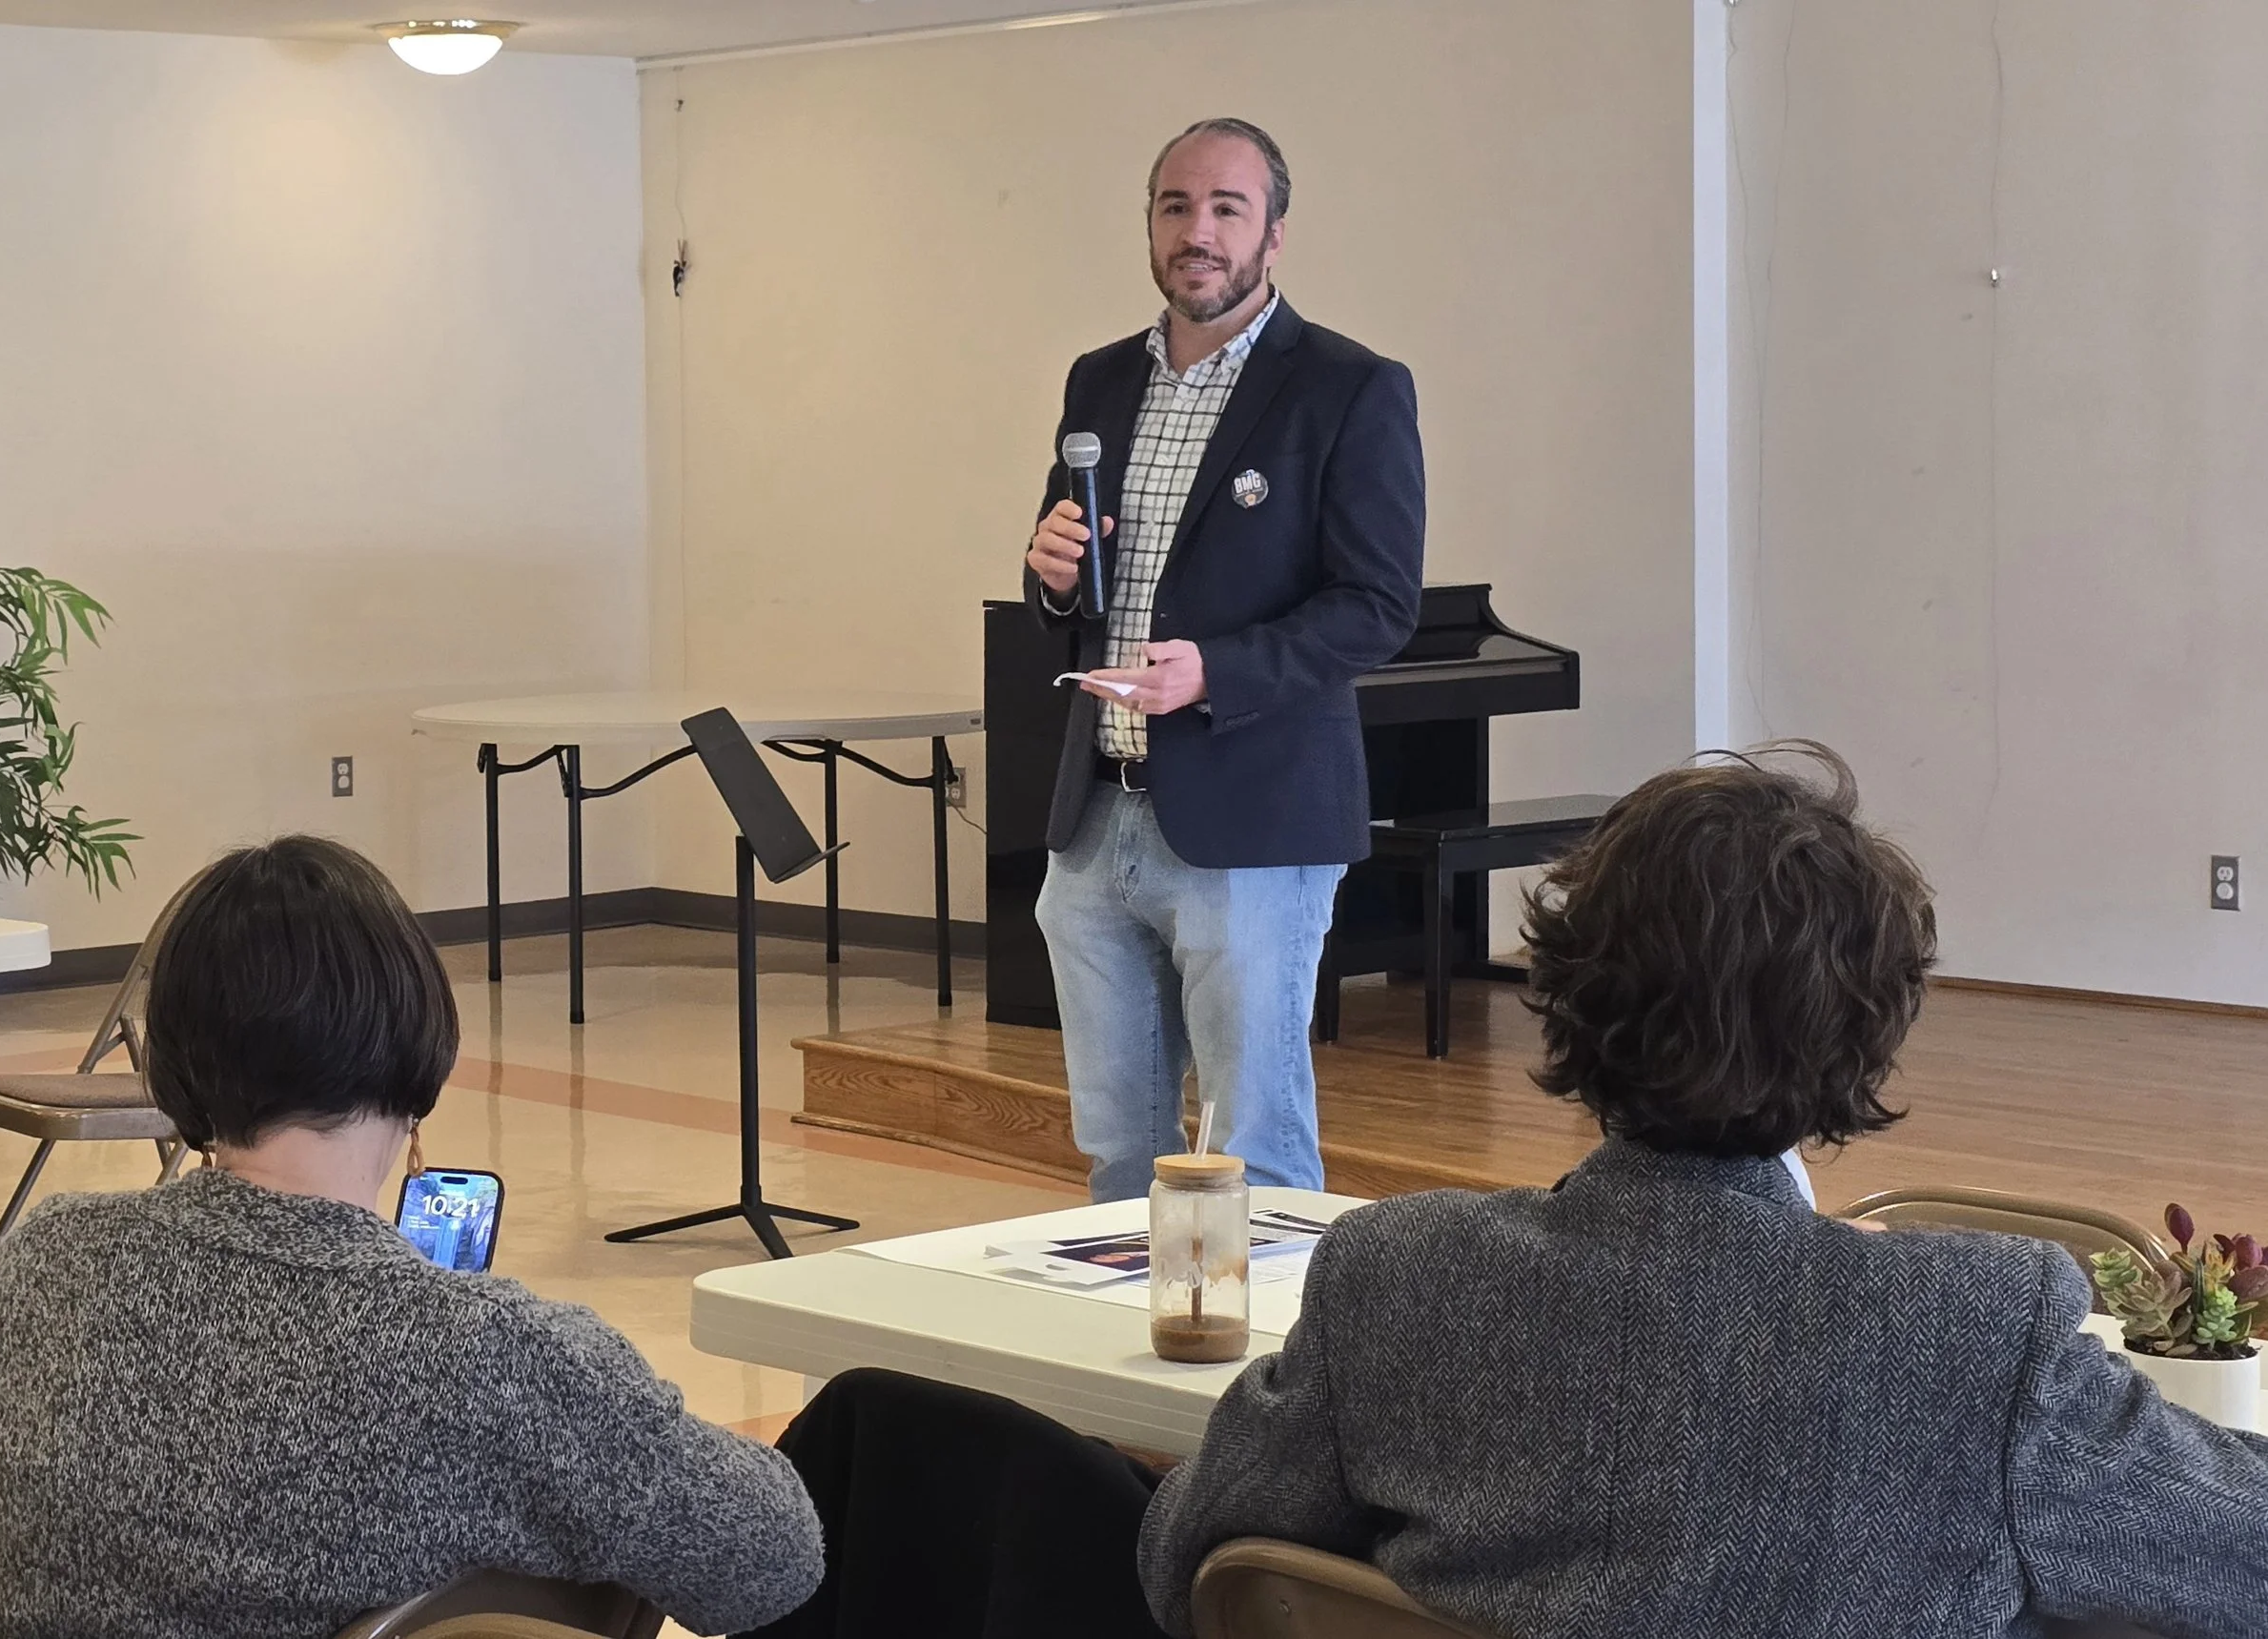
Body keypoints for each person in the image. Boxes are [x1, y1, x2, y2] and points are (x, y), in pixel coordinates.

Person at [756, 746, 2268, 1639]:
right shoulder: (1980, 1329)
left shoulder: (1400, 1279)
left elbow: (1183, 1562)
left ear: (1565, 993)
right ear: (1866, 1029)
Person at [0, 836, 823, 1639]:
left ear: (177, 1054)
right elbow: (771, 1559)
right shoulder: (484, 1351)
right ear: (415, 1041)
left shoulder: (49, 1258)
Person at [1023, 116, 1425, 1203]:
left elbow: (1378, 606)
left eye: (1225, 209)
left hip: (1251, 821)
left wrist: (1218, 670)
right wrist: (1053, 573)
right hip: (1097, 815)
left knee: (1257, 1146)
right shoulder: (1100, 379)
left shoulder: (1348, 387)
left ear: (1273, 235)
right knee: (1116, 1145)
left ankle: (1280, 1368)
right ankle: (1119, 1355)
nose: (1197, 231)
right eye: (1175, 207)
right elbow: (1071, 581)